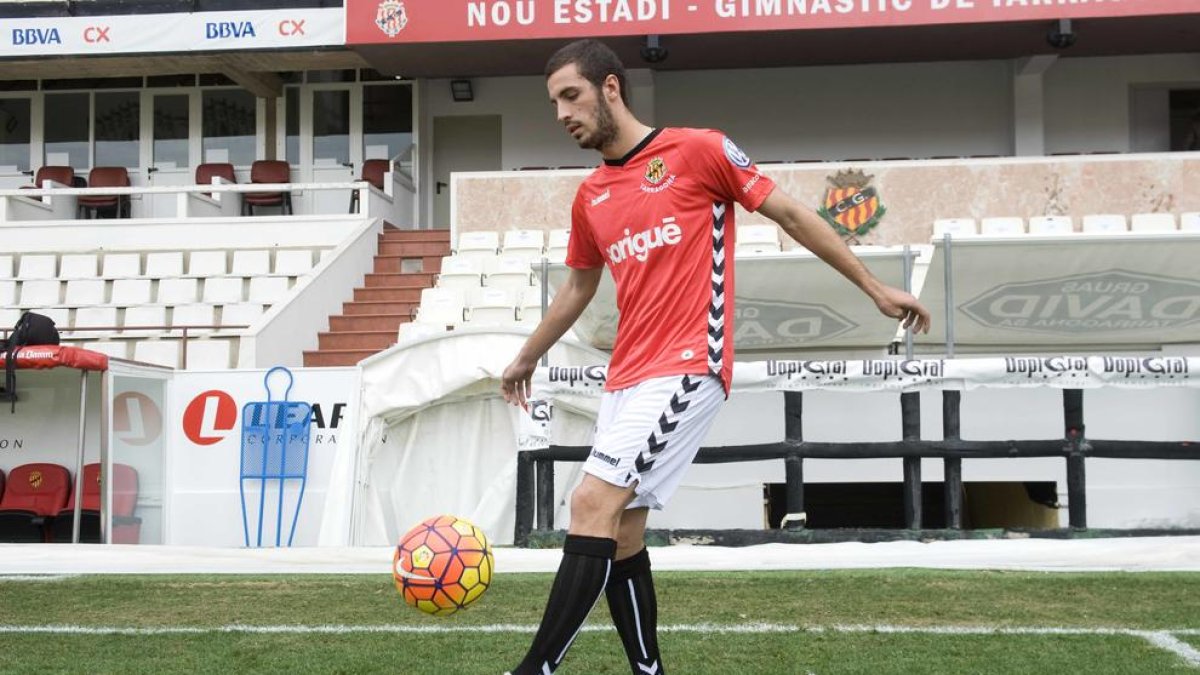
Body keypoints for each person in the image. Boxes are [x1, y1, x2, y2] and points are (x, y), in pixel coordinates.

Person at [499, 38, 931, 675]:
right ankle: (649, 671)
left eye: (572, 95)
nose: (562, 112)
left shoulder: (699, 150)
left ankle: (534, 670)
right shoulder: (591, 194)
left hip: (688, 365)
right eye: (554, 102)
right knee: (619, 532)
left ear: (610, 87)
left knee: (589, 503)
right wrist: (526, 357)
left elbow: (788, 212)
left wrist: (874, 288)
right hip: (627, 376)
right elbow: (579, 287)